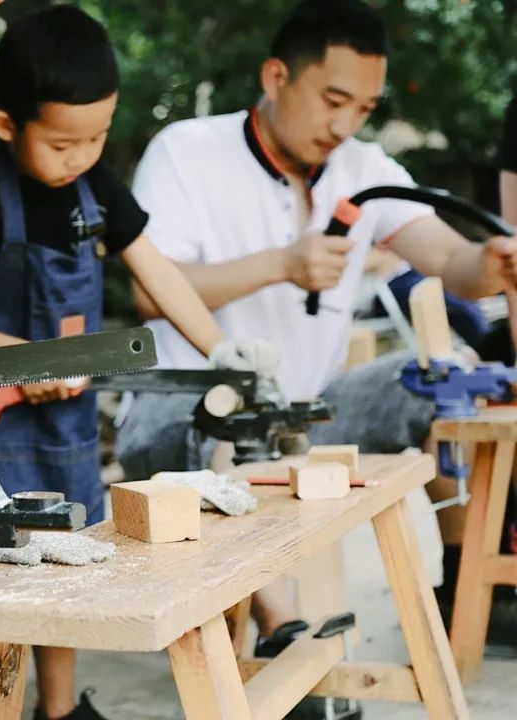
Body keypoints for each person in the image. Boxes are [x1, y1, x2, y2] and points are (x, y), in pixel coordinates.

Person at [115, 0, 517, 684]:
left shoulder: (361, 165)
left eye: (363, 108)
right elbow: (152, 292)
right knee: (202, 421)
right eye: (334, 100)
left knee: (439, 375)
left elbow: (446, 255)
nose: (346, 125)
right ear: (276, 78)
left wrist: (489, 265)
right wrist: (282, 262)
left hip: (311, 410)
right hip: (188, 410)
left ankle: (471, 590)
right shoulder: (187, 150)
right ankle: (285, 632)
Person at [0, 7, 273, 720]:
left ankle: (60, 710)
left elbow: (159, 272)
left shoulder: (96, 186)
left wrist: (221, 352)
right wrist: (19, 360)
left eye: (98, 137)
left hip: (67, 425)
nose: (83, 155)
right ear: (9, 126)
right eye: (65, 142)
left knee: (66, 556)